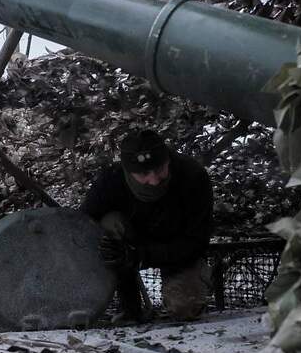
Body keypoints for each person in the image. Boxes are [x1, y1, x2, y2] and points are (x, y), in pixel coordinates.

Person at [81, 129, 213, 322]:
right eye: (143, 174)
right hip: (129, 247)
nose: (154, 180)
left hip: (179, 251)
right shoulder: (110, 180)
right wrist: (116, 254)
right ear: (128, 171)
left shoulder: (193, 176)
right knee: (109, 223)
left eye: (159, 169)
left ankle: (186, 290)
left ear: (168, 160)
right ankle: (130, 307)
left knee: (185, 306)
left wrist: (142, 255)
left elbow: (197, 241)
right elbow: (82, 224)